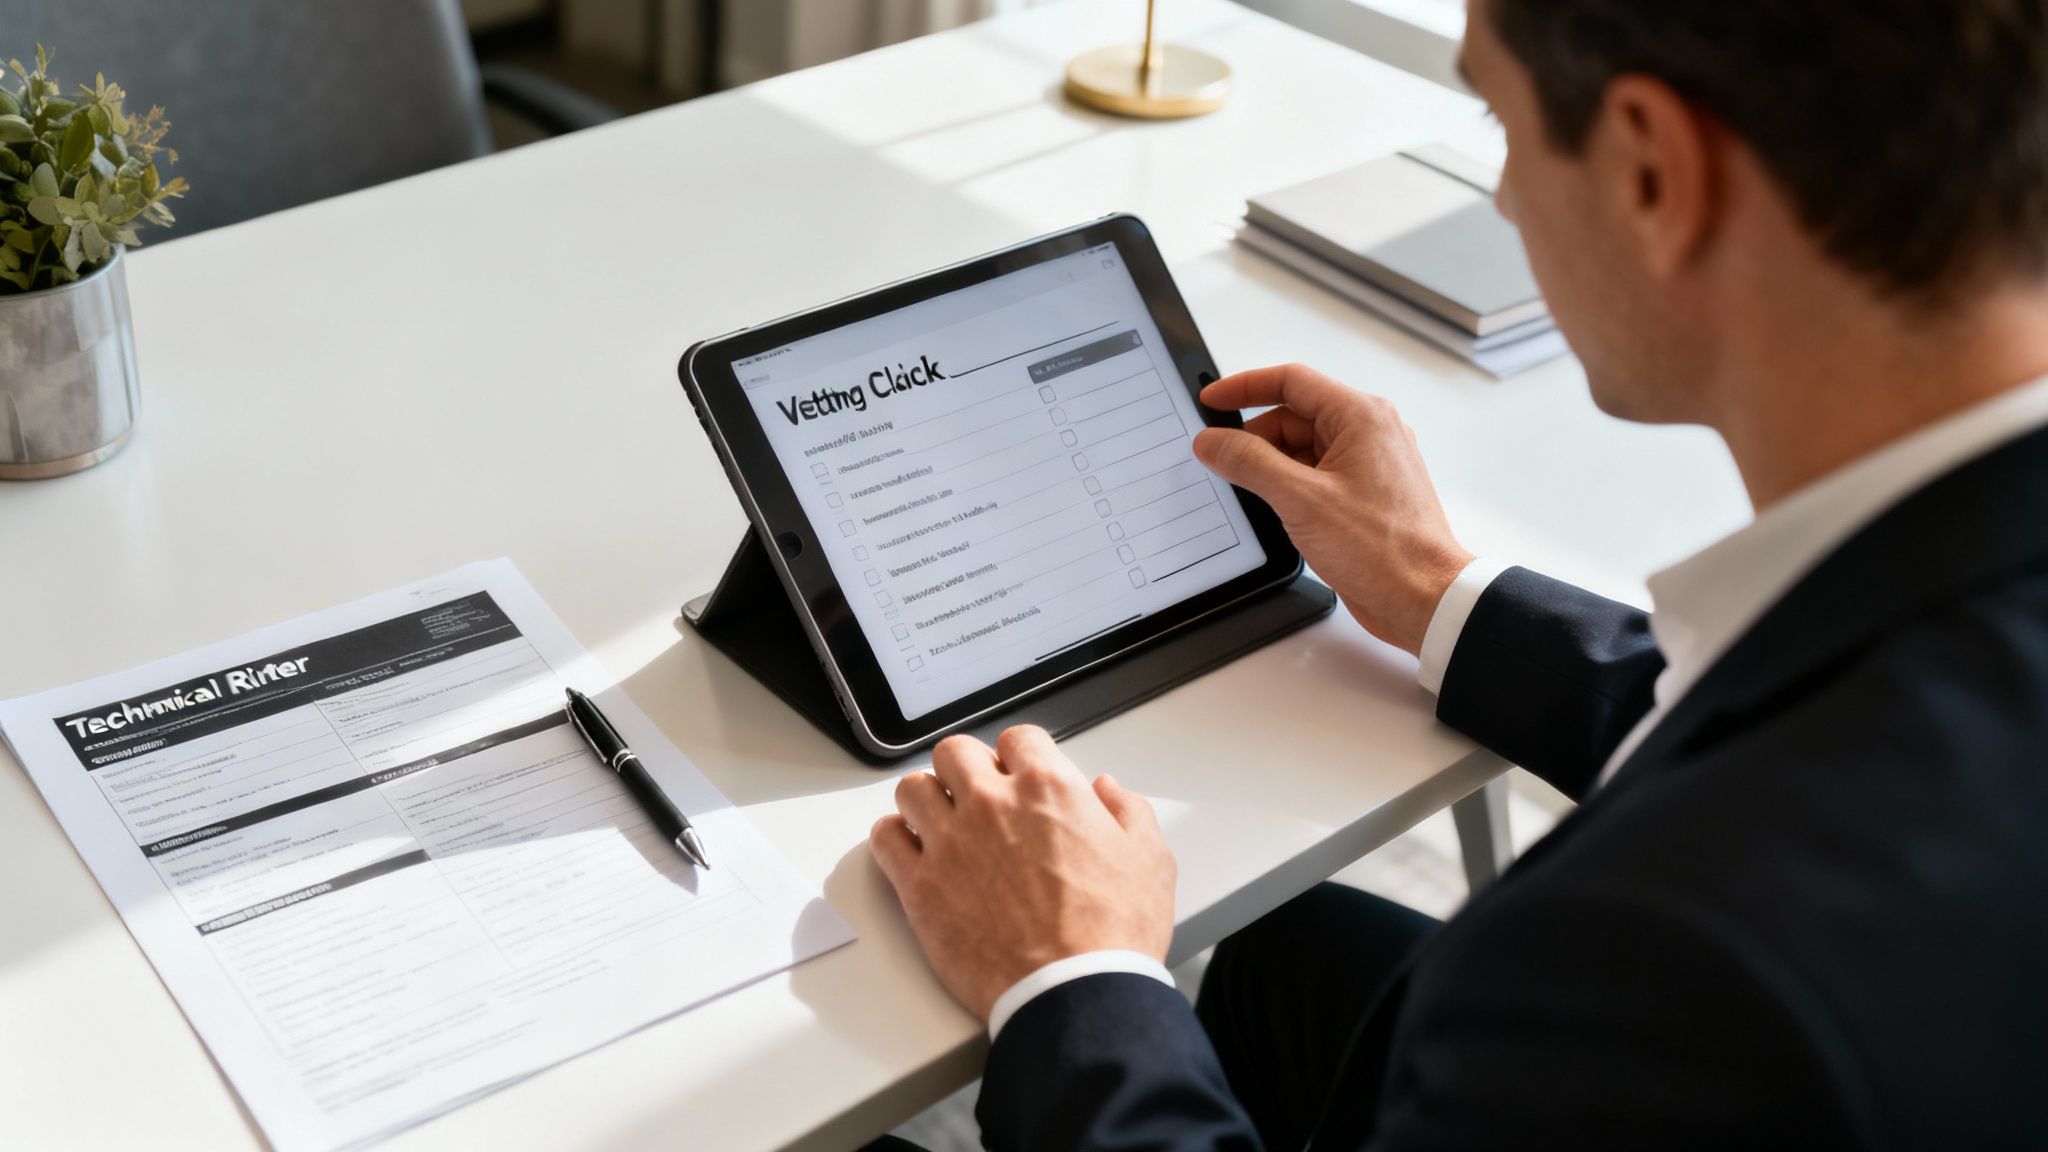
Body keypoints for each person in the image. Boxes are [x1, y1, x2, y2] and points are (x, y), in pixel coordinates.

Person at [868, 1, 2048, 1147]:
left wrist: (1070, 975)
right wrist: (1435, 584)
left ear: (1650, 169)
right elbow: (1821, 729)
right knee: (1297, 950)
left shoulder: (1673, 968)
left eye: (1496, 120)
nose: (1500, 196)